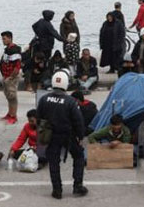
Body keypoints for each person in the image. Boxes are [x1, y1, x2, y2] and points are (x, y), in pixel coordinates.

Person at [37, 71, 88, 199]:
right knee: (79, 156)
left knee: (53, 162)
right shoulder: (70, 101)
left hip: (52, 135)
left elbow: (39, 118)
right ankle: (77, 185)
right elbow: (78, 121)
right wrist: (80, 136)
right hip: (68, 135)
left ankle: (57, 189)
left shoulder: (44, 99)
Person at [0, 31, 22, 124]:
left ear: (10, 38)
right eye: (2, 39)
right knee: (8, 96)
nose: (3, 41)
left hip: (11, 77)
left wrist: (11, 77)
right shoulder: (7, 49)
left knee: (13, 97)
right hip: (5, 76)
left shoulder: (15, 50)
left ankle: (14, 116)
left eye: (4, 39)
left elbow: (17, 67)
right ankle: (9, 113)